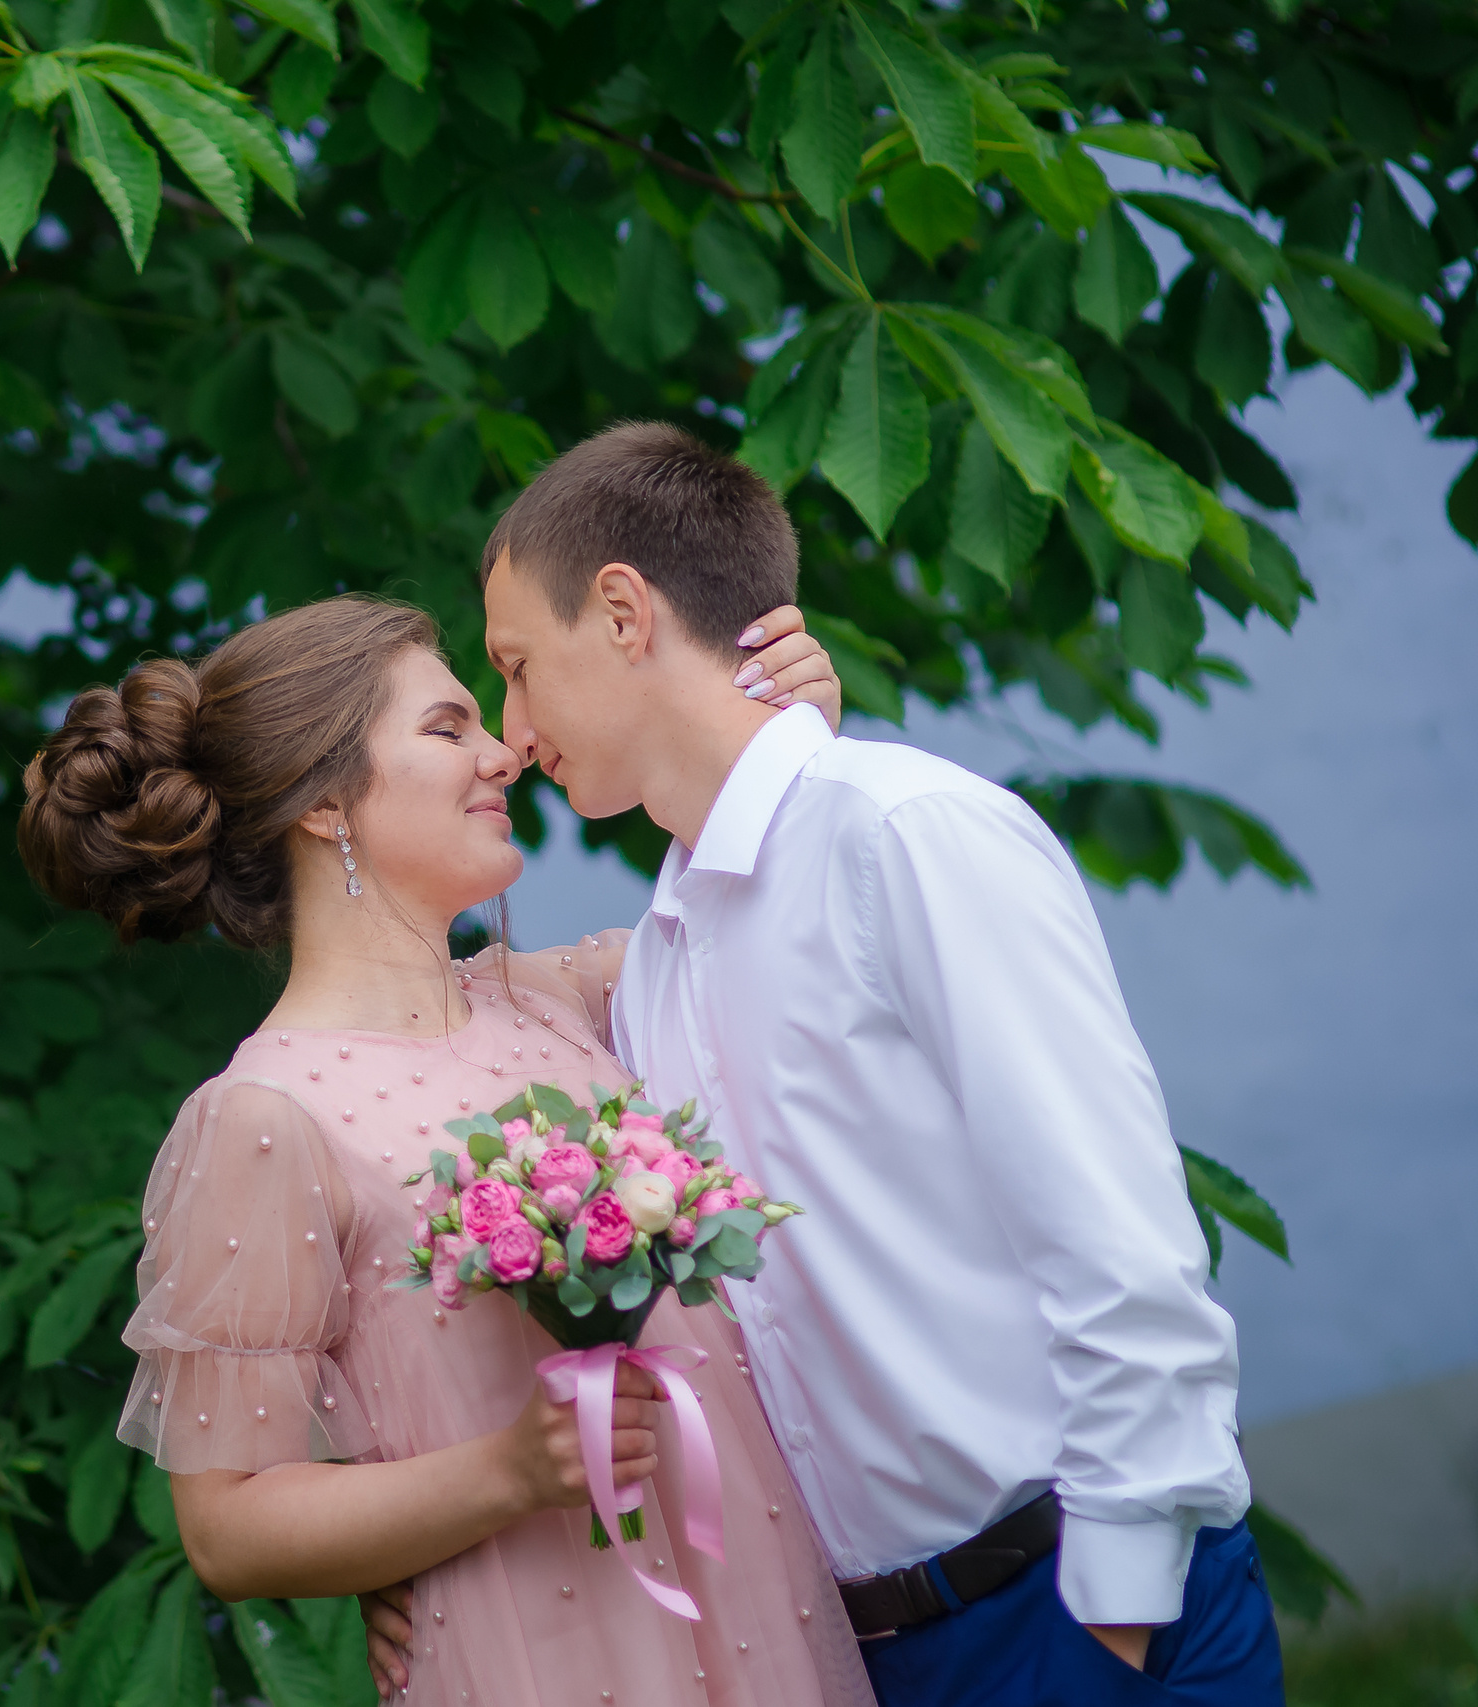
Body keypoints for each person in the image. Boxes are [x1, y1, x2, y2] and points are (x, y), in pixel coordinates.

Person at [364, 420, 1280, 1707]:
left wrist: (1113, 1624)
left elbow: (1116, 1239)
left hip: (1073, 1602)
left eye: (514, 669)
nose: (509, 735)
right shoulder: (667, 958)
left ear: (623, 612)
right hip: (865, 1650)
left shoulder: (901, 836)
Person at [18, 594, 876, 1707]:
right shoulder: (263, 1115)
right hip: (537, 1655)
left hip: (759, 1617)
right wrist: (505, 1473)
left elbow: (775, 933)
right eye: (447, 728)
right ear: (326, 803)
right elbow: (229, 1527)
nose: (505, 753)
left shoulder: (566, 998)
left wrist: (782, 734)